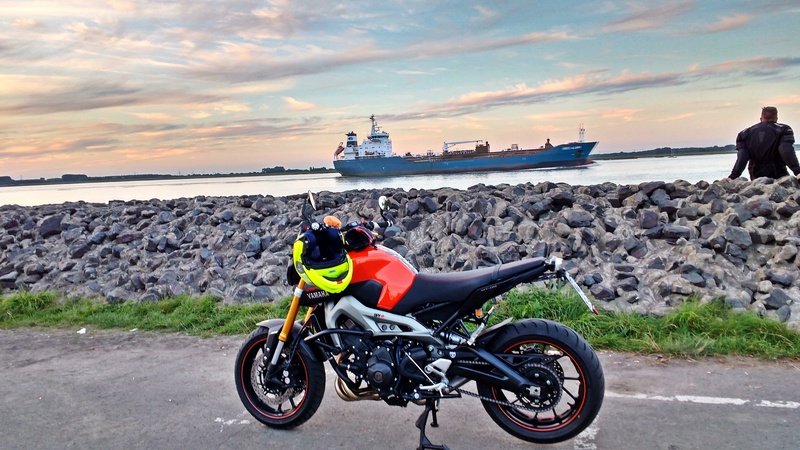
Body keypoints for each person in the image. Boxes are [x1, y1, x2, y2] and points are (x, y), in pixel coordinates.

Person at [728, 106, 799, 180]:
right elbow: (785, 150)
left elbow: (742, 157)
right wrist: (797, 171)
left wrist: (733, 176)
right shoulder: (784, 129)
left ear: (761, 119)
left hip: (756, 176)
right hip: (778, 174)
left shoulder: (744, 134)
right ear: (776, 119)